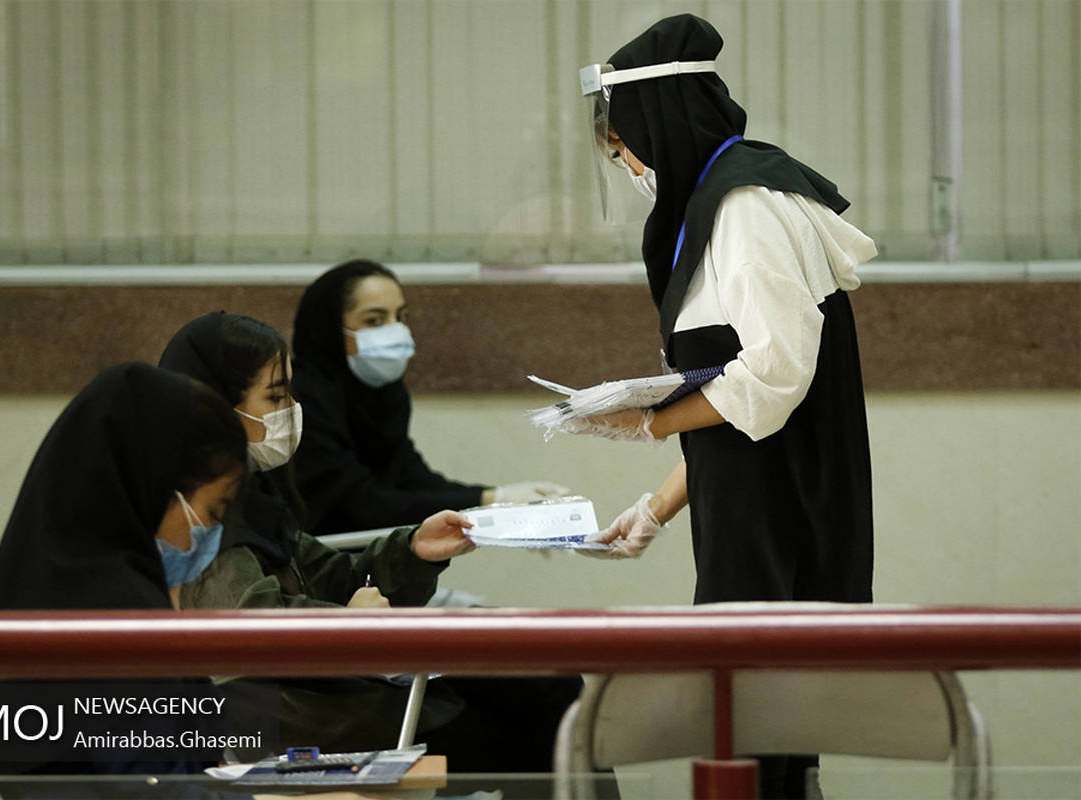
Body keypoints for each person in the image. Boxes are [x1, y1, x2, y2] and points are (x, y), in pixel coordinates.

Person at [573, 14, 877, 798]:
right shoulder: (720, 199)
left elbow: (773, 376)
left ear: (656, 125)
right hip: (750, 509)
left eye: (624, 149)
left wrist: (647, 421)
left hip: (782, 519)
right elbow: (734, 403)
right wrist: (659, 506)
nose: (629, 168)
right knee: (758, 734)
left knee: (763, 738)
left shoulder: (746, 206)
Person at [158, 312, 582, 780]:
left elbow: (330, 576)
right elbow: (250, 628)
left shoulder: (254, 494)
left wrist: (414, 550)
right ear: (218, 405)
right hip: (297, 716)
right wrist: (343, 621)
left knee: (548, 681)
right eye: (276, 397)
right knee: (528, 728)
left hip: (342, 686)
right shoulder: (191, 512)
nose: (292, 409)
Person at [0, 362, 248, 796]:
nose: (211, 535)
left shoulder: (44, 583)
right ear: (154, 490)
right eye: (213, 512)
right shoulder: (118, 615)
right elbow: (154, 790)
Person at [290, 259, 569, 535]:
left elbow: (412, 478)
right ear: (328, 329)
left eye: (400, 317)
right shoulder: (300, 402)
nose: (395, 330)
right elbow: (360, 504)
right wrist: (489, 501)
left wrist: (499, 500)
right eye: (375, 320)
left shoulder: (385, 394)